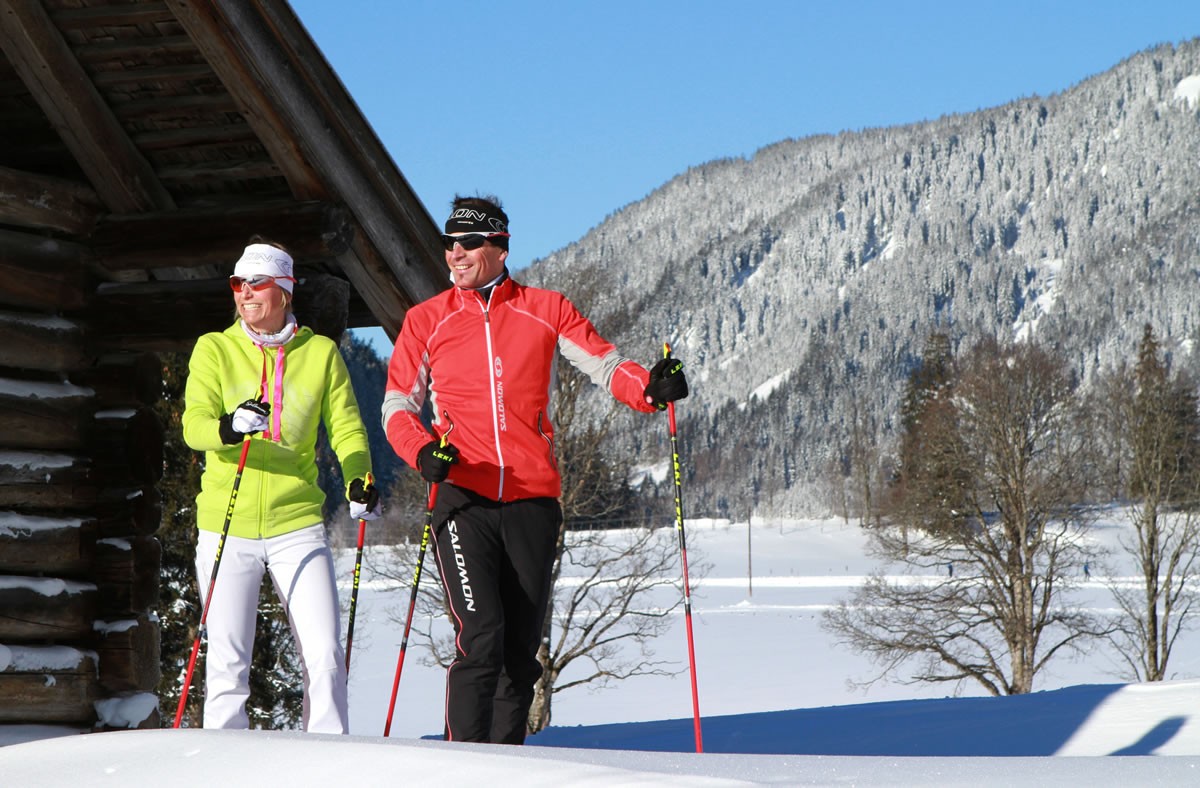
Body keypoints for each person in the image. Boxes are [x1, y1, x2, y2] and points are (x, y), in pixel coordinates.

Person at [382, 195, 689, 744]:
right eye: (449, 243)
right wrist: (423, 451)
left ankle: (505, 769)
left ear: (499, 246)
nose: (455, 253)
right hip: (462, 499)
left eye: (469, 242)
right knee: (481, 638)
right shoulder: (425, 320)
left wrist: (650, 389)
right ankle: (460, 772)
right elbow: (398, 406)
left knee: (520, 653)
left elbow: (607, 364)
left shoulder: (544, 309)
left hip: (531, 501)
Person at [182, 237, 381, 733]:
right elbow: (195, 425)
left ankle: (328, 764)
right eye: (237, 283)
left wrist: (360, 480)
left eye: (257, 283)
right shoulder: (215, 349)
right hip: (228, 525)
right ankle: (224, 767)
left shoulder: (320, 354)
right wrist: (230, 427)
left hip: (297, 524)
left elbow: (349, 429)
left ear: (285, 291)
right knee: (228, 664)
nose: (245, 293)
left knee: (326, 656)